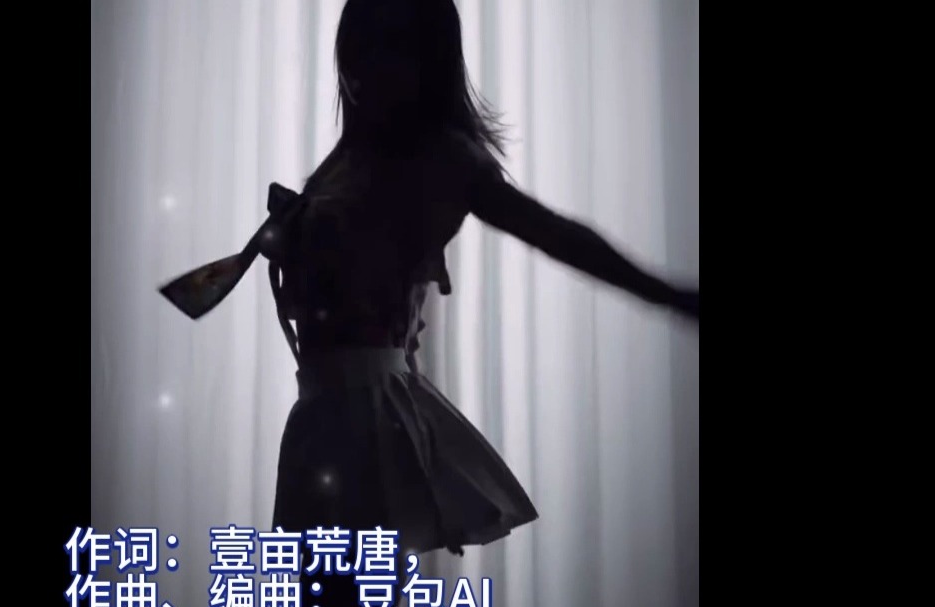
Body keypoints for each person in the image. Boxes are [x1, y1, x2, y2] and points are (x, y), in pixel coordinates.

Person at [167, 0, 698, 604]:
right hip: (323, 415)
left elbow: (556, 235)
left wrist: (667, 295)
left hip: (360, 420)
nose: (366, 67)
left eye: (390, 48)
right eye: (359, 47)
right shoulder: (355, 154)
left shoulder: (441, 159)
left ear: (429, 59)